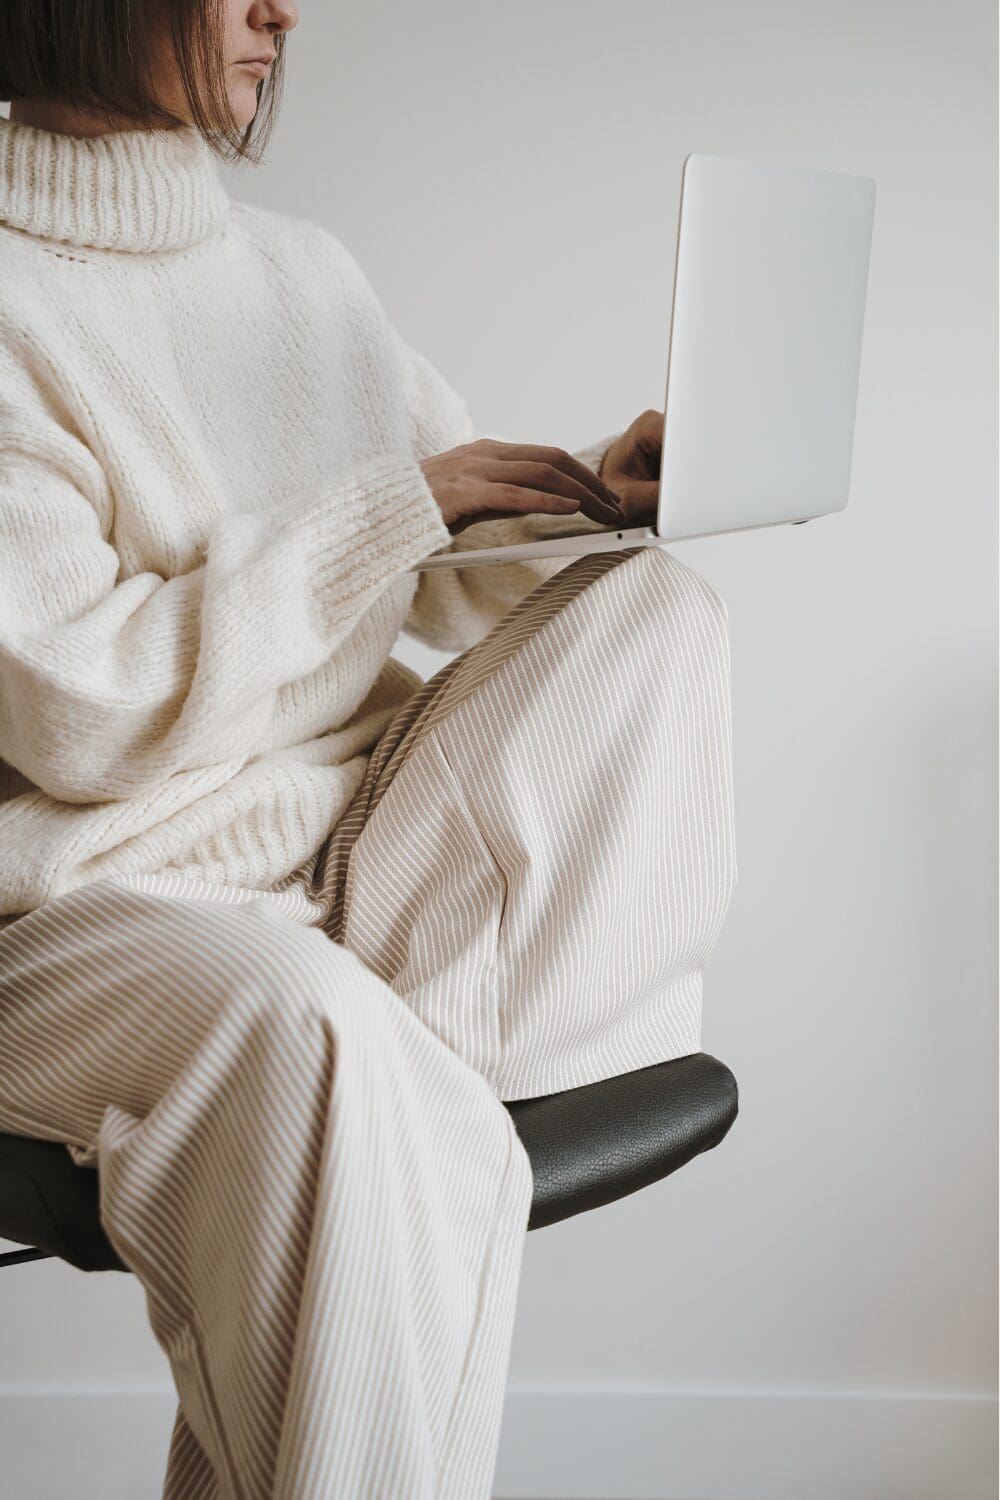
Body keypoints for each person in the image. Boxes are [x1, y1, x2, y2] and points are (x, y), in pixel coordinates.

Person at [0, 2, 737, 1496]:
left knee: (659, 612)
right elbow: (79, 708)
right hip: (83, 910)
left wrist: (591, 496)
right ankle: (397, 1105)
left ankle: (399, 1099)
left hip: (349, 866)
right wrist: (397, 509)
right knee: (318, 1035)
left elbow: (438, 575)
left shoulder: (304, 276)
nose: (281, 7)